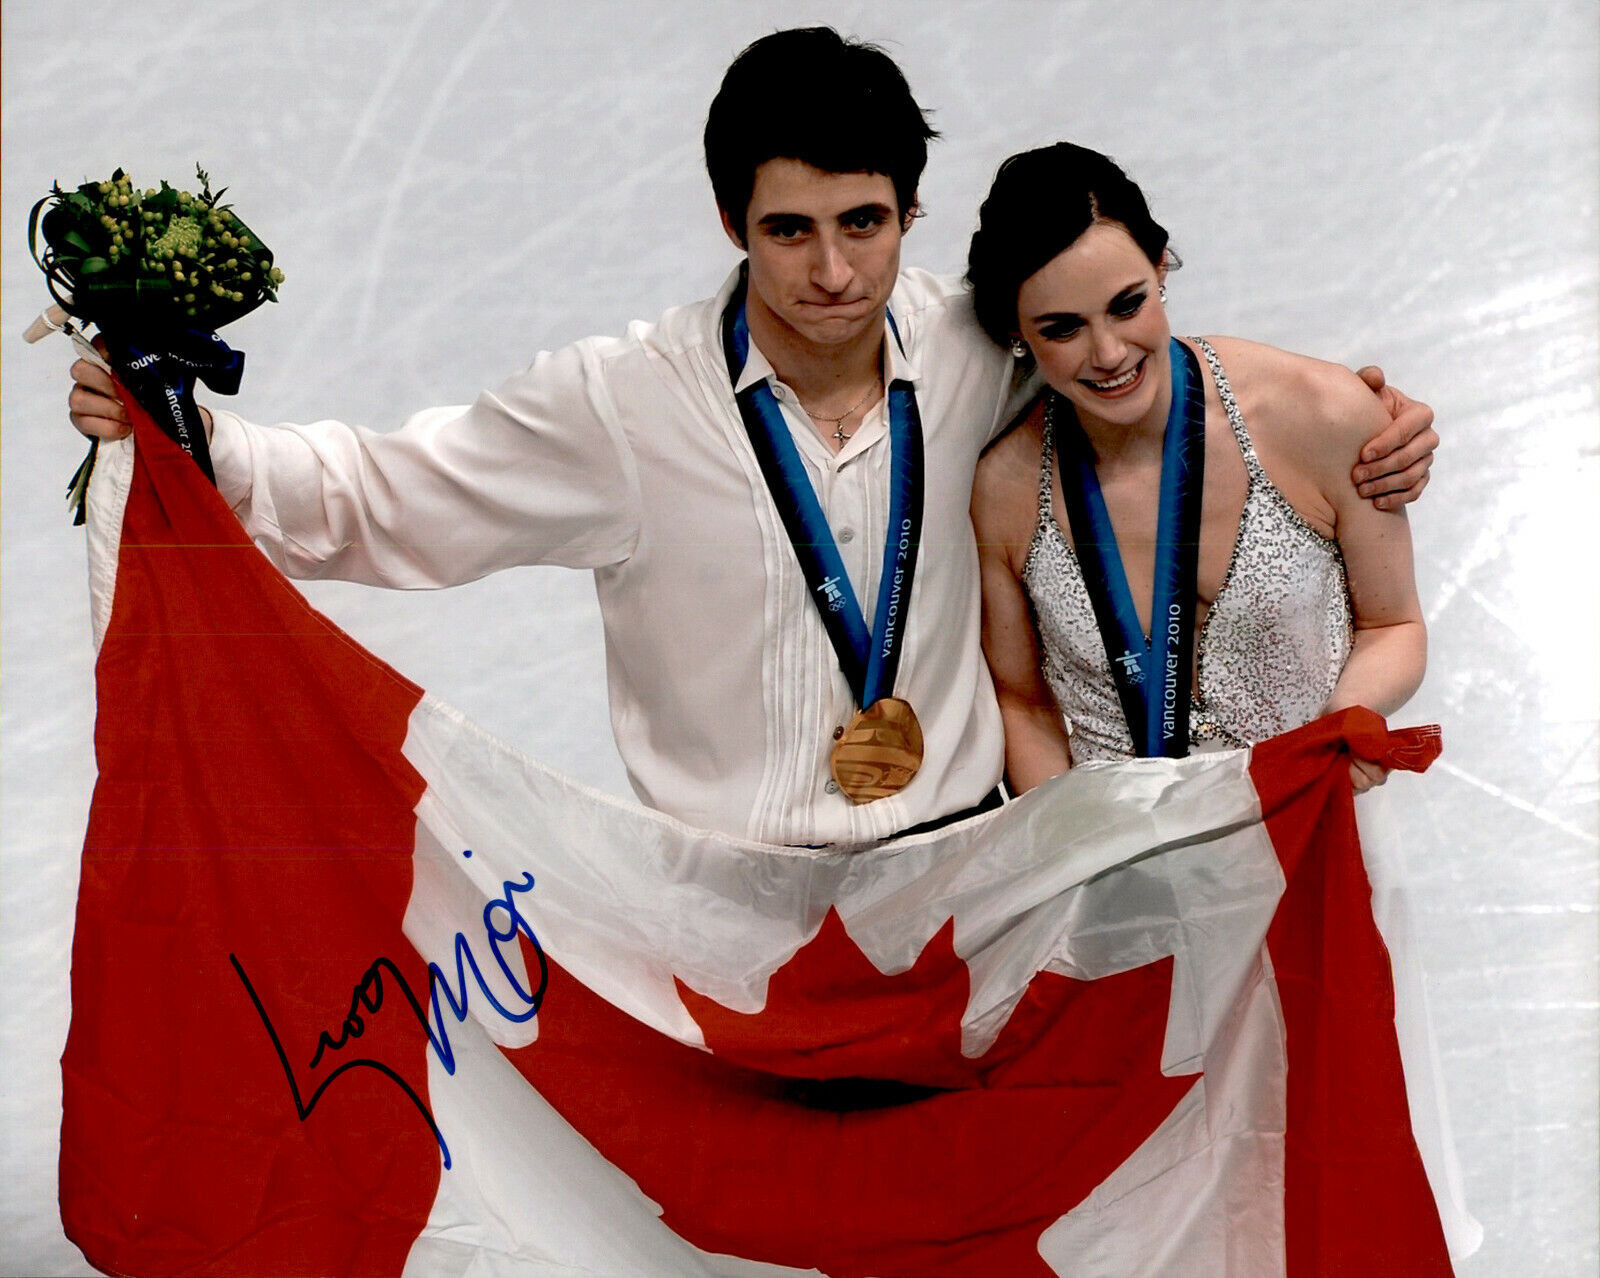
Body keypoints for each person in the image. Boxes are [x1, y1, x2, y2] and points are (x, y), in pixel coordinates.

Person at [63, 28, 1436, 849]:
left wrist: (1371, 416)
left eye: (865, 223)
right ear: (733, 223)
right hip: (731, 906)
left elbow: (1136, 353)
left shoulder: (980, 344)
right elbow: (382, 494)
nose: (832, 272)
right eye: (790, 229)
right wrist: (192, 436)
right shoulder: (620, 407)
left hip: (970, 874)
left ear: (907, 214)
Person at [968, 142, 1425, 793]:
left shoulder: (1317, 413)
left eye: (1127, 305)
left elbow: (1394, 625)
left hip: (1313, 822)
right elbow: (1023, 702)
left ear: (1160, 268)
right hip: (1124, 870)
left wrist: (1349, 718)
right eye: (1062, 329)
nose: (1107, 353)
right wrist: (1070, 856)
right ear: (1015, 332)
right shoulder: (1005, 491)